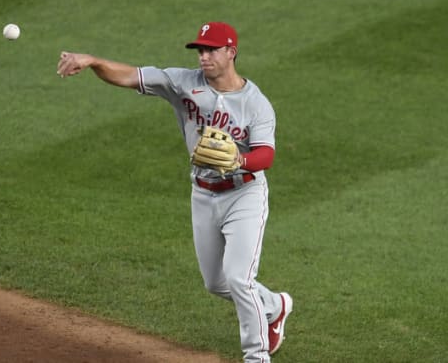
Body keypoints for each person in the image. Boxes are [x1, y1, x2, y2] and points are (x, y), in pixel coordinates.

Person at [56, 21, 293, 363]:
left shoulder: (256, 103)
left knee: (240, 278)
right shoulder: (182, 83)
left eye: (211, 50)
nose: (204, 57)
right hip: (202, 193)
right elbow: (129, 75)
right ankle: (275, 305)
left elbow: (265, 155)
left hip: (244, 194)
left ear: (231, 52)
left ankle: (256, 356)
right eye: (200, 50)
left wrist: (239, 158)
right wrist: (93, 61)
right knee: (216, 283)